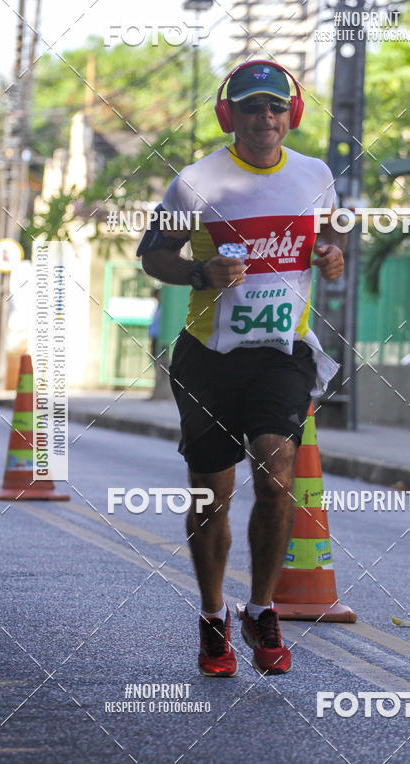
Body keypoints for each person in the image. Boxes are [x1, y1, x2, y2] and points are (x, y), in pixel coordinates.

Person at [138, 59, 345, 677]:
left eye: (276, 106)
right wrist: (199, 273)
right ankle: (213, 617)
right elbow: (153, 254)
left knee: (277, 468)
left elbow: (331, 237)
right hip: (209, 357)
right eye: (252, 107)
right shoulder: (196, 182)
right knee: (212, 495)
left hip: (283, 353)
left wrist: (331, 255)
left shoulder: (314, 175)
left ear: (292, 114)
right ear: (230, 115)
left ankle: (261, 609)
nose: (265, 117)